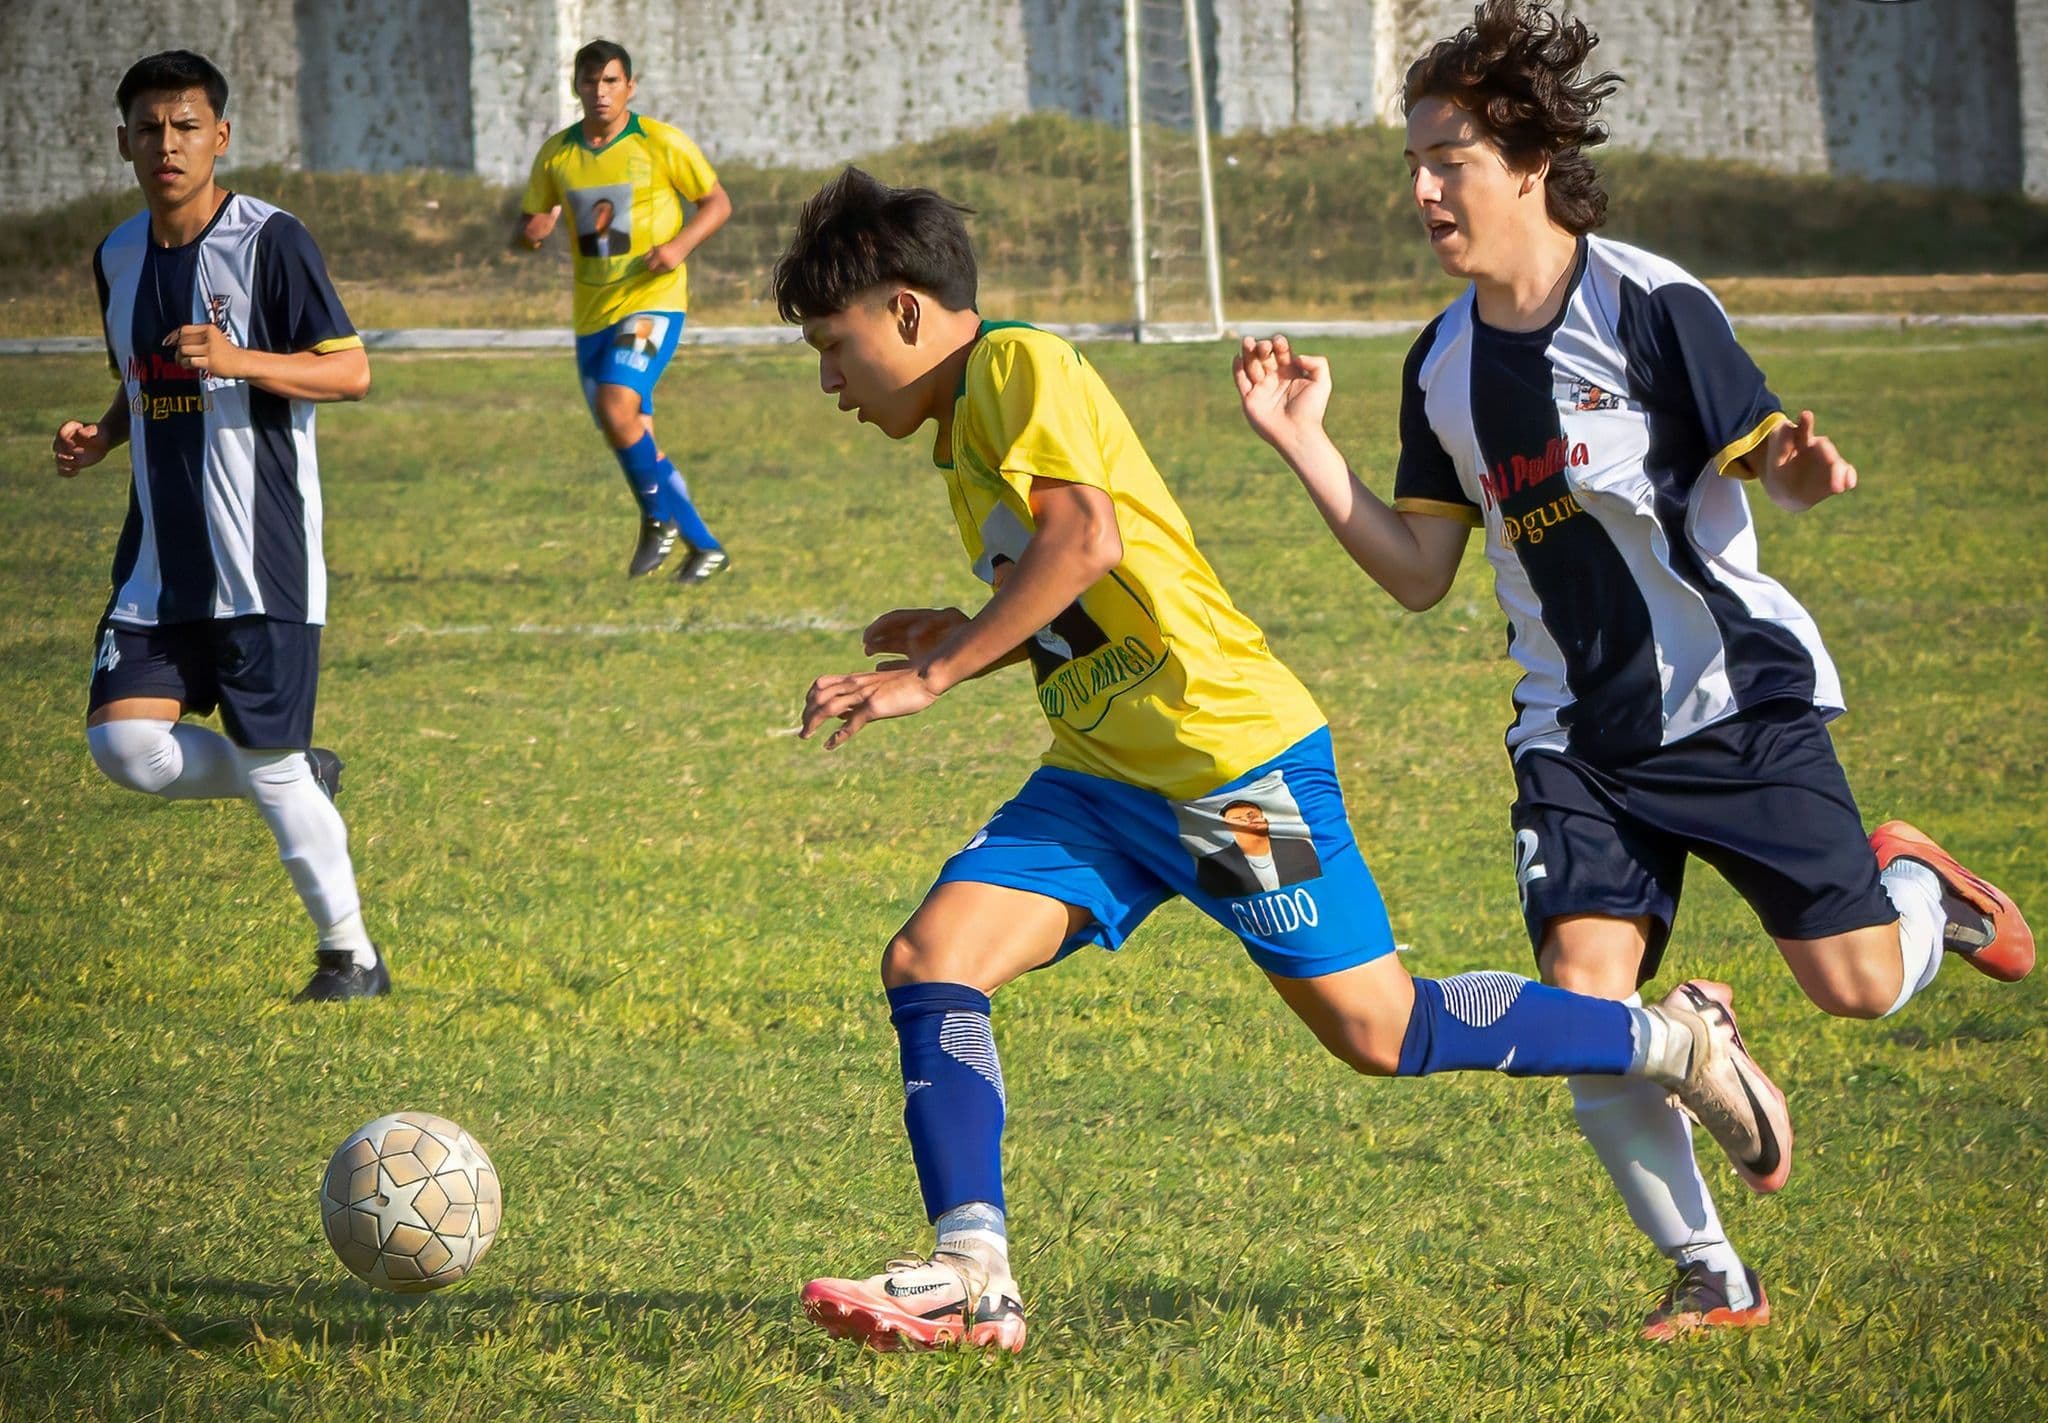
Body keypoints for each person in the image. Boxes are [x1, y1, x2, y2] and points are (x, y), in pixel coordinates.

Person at [773, 166, 1795, 1354]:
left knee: (1380, 1029)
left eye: (832, 346)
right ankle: (969, 1273)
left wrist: (934, 675)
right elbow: (1081, 595)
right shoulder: (965, 433)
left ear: (904, 310)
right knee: (930, 958)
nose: (830, 382)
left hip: (1228, 770)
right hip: (1103, 780)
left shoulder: (1015, 366)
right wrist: (964, 632)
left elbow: (1084, 539)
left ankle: (1672, 1042)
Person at [1234, 0, 2033, 1341]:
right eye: (1414, 163)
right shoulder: (1440, 364)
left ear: (1529, 162)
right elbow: (1421, 570)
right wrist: (1303, 443)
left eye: (1449, 161)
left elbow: (1767, 452)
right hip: (1575, 738)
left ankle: (1922, 890)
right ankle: (1712, 1274)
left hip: (1731, 706)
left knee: (1854, 984)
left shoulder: (1648, 304)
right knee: (1582, 1007)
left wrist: (1799, 471)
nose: (1424, 191)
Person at [51, 50, 388, 1003]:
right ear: (123, 143)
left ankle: (351, 957)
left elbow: (349, 371)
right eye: (149, 129)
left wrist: (242, 358)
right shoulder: (117, 255)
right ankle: (295, 770)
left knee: (270, 768)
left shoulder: (271, 241)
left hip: (260, 559)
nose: (167, 144)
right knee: (125, 747)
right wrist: (105, 433)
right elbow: (140, 375)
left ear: (221, 137)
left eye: (186, 126)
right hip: (158, 566)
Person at [512, 38, 734, 582]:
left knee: (617, 405)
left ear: (630, 87)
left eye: (611, 81)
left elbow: (717, 203)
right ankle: (705, 548)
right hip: (593, 315)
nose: (601, 91)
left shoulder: (660, 142)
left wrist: (678, 247)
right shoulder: (557, 155)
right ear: (576, 87)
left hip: (652, 302)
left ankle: (657, 520)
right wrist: (533, 233)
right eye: (590, 82)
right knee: (631, 432)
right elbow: (529, 229)